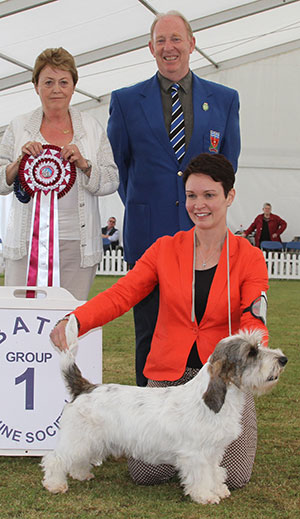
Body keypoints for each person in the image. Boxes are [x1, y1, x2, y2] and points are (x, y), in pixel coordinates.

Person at [50, 153, 268, 490]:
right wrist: (76, 320)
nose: (199, 205)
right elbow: (122, 294)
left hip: (222, 376)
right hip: (170, 374)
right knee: (146, 474)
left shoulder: (249, 257)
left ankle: (197, 461)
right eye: (192, 196)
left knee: (236, 475)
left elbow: (253, 317)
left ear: (229, 196)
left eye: (209, 195)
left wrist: (256, 355)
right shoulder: (165, 249)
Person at [107, 10, 241, 386]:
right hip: (149, 239)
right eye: (161, 40)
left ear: (192, 44)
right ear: (151, 48)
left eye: (176, 39)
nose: (169, 47)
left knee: (204, 338)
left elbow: (227, 167)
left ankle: (201, 426)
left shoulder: (225, 100)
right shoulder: (125, 100)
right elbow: (119, 170)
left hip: (205, 241)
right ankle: (146, 436)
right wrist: (145, 206)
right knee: (150, 337)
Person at [0, 47, 119, 301]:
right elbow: (1, 181)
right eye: (49, 82)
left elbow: (111, 179)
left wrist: (85, 165)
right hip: (25, 248)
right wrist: (19, 164)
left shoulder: (91, 128)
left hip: (79, 247)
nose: (57, 89)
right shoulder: (18, 126)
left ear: (73, 86)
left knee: (70, 322)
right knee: (22, 323)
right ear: (36, 86)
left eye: (64, 82)